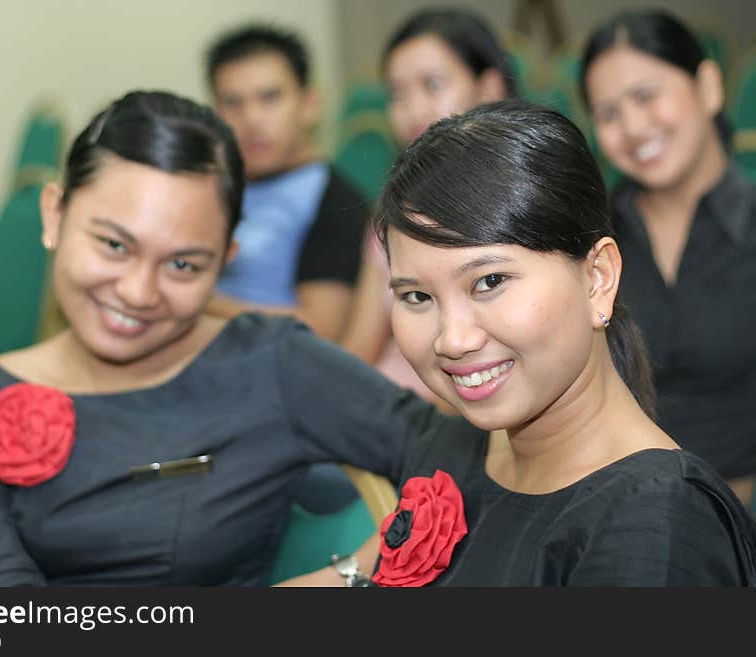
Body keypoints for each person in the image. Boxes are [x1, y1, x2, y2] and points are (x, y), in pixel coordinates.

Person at [0, 90, 470, 586]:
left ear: (224, 264)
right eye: (114, 246)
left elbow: (457, 457)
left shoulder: (270, 362)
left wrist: (346, 578)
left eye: (184, 264)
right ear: (54, 215)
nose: (139, 292)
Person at [283, 100, 756, 586]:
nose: (453, 339)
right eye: (417, 295)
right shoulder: (459, 443)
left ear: (597, 278)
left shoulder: (654, 524)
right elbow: (365, 575)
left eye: (489, 282)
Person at [579, 9, 756, 509]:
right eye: (609, 113)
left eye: (646, 96)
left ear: (708, 87)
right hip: (609, 508)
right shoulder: (587, 243)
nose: (633, 127)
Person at [340, 7, 515, 413]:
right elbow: (359, 347)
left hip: (461, 409)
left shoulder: (520, 207)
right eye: (397, 94)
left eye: (432, 85)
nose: (413, 109)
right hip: (386, 406)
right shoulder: (393, 211)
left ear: (489, 87)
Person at [203, 24, 367, 343]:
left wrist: (198, 305)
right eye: (233, 103)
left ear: (309, 104)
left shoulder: (335, 200)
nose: (252, 119)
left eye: (270, 97)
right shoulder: (208, 188)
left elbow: (319, 328)